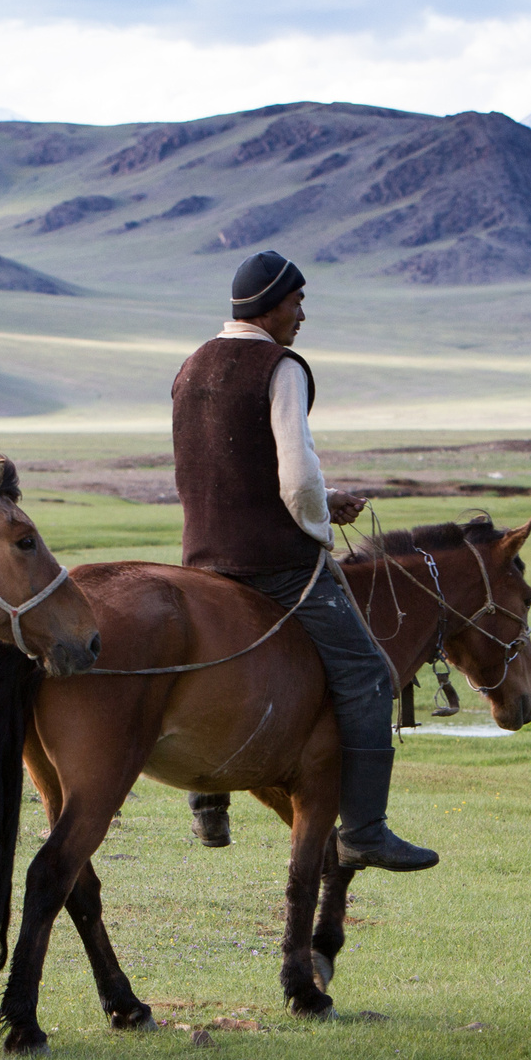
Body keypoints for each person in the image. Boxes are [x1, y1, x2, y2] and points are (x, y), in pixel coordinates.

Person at [168, 251, 436, 872]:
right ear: (268, 306)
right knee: (370, 674)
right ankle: (366, 829)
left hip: (203, 560)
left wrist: (326, 497)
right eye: (296, 302)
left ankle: (208, 797)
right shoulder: (280, 367)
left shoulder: (191, 365)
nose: (302, 314)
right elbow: (294, 478)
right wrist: (317, 524)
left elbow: (224, 467)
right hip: (275, 565)